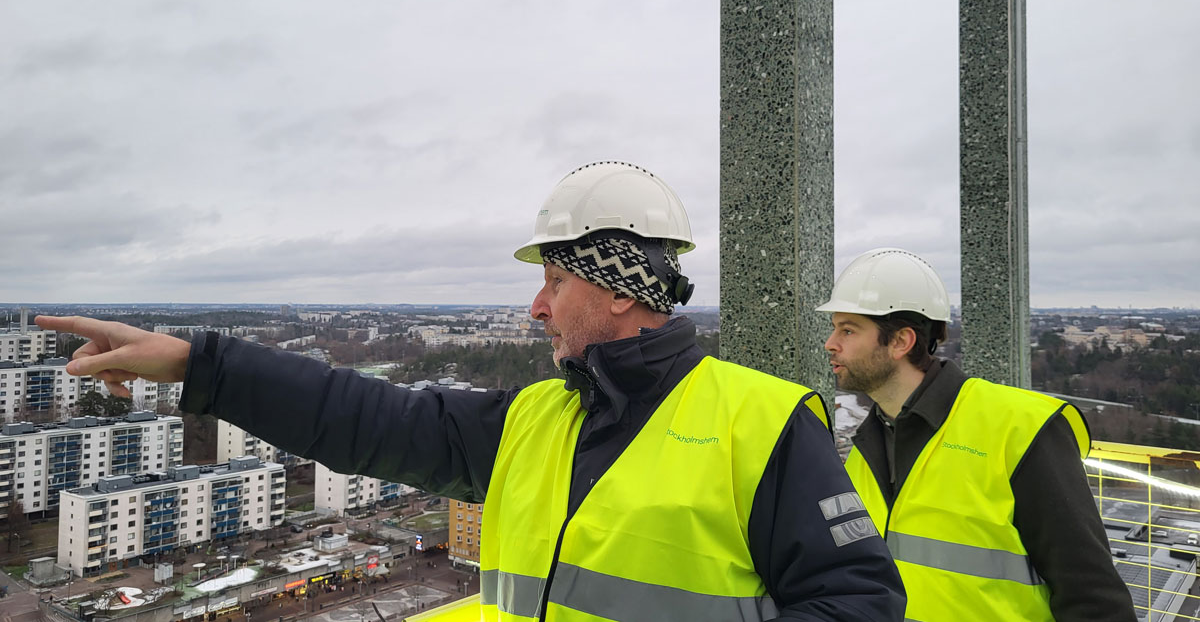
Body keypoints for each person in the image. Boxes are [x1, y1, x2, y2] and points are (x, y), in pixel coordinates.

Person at [39, 161, 905, 621]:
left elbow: (857, 604)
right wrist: (201, 363)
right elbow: (357, 416)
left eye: (553, 283)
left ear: (616, 289)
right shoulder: (536, 420)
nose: (535, 308)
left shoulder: (762, 423)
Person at [816, 248, 1135, 622]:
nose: (830, 343)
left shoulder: (1017, 429)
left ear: (901, 342)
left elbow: (1093, 598)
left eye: (848, 330)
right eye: (834, 328)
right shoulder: (867, 445)